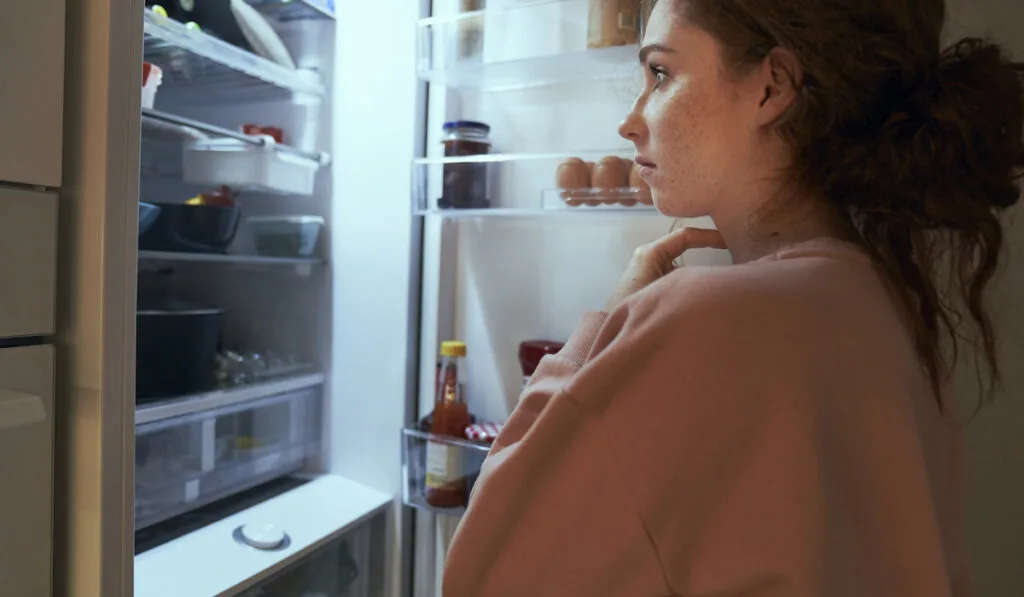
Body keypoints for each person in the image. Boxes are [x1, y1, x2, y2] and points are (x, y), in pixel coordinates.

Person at [443, 0, 1023, 595]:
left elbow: (481, 575)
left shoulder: (706, 320)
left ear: (772, 88)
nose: (631, 120)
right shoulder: (893, 308)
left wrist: (606, 329)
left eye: (661, 74)